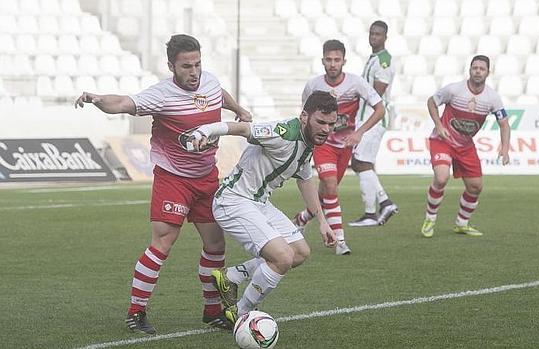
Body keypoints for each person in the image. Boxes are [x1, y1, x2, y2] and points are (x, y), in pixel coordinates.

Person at [74, 34, 252, 334]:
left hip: (207, 177)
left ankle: (212, 312)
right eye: (186, 66)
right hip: (174, 179)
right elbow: (123, 102)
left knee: (216, 244)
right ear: (172, 66)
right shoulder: (161, 95)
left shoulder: (208, 81)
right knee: (163, 244)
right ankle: (136, 311)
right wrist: (96, 99)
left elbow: (219, 94)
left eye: (197, 64)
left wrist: (238, 108)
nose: (193, 72)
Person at [188, 90, 338, 323]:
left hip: (259, 203)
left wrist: (322, 222)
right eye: (321, 122)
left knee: (300, 252)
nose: (326, 129)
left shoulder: (309, 141)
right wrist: (205, 130)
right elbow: (243, 129)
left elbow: (306, 180)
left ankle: (233, 276)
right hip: (233, 200)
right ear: (304, 116)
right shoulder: (284, 132)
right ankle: (240, 312)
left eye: (331, 124)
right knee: (283, 257)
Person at [293, 39, 385, 255]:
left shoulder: (356, 83)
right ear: (322, 60)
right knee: (331, 186)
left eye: (337, 60)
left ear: (344, 61)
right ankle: (340, 240)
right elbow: (305, 115)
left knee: (327, 193)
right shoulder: (313, 85)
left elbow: (380, 109)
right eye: (329, 59)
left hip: (345, 146)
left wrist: (359, 133)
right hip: (322, 145)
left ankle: (303, 217)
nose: (332, 64)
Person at [420, 55, 510, 238]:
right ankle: (430, 218)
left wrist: (505, 148)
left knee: (475, 187)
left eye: (481, 69)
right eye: (474, 68)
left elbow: (504, 123)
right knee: (442, 177)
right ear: (469, 70)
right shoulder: (454, 90)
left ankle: (462, 223)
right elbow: (431, 101)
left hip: (465, 146)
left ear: (487, 72)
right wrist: (438, 125)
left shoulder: (492, 97)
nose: (478, 71)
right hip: (442, 140)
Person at [349, 20, 399, 228]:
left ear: (385, 37)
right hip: (366, 117)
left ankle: (373, 211)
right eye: (371, 33)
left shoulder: (384, 60)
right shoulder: (374, 58)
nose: (373, 37)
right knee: (359, 162)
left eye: (378, 34)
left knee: (361, 162)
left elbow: (376, 92)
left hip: (374, 118)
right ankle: (383, 203)